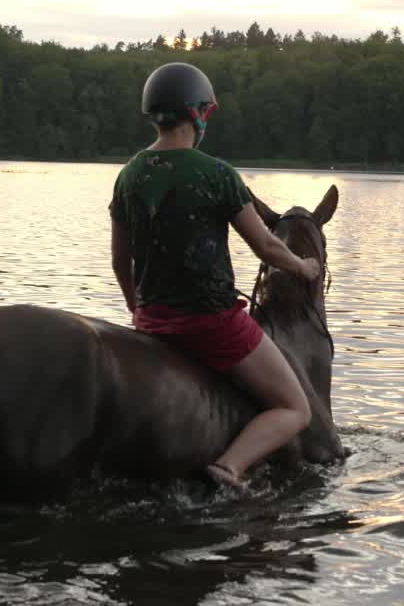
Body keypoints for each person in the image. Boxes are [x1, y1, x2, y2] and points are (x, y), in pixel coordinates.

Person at [108, 62, 321, 493]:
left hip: (153, 323)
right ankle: (229, 468)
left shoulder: (129, 175)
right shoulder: (217, 175)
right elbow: (266, 247)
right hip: (214, 325)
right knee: (297, 408)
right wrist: (304, 267)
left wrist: (140, 312)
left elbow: (119, 263)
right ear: (198, 113)